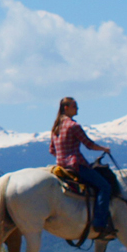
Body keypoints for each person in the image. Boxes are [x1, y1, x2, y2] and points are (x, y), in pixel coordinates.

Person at [49, 97, 115, 237]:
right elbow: (89, 145)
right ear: (66, 107)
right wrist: (105, 149)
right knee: (105, 187)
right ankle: (99, 223)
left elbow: (52, 150)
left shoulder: (56, 126)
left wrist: (61, 156)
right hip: (75, 165)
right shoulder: (74, 126)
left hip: (61, 166)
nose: (77, 109)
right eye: (75, 106)